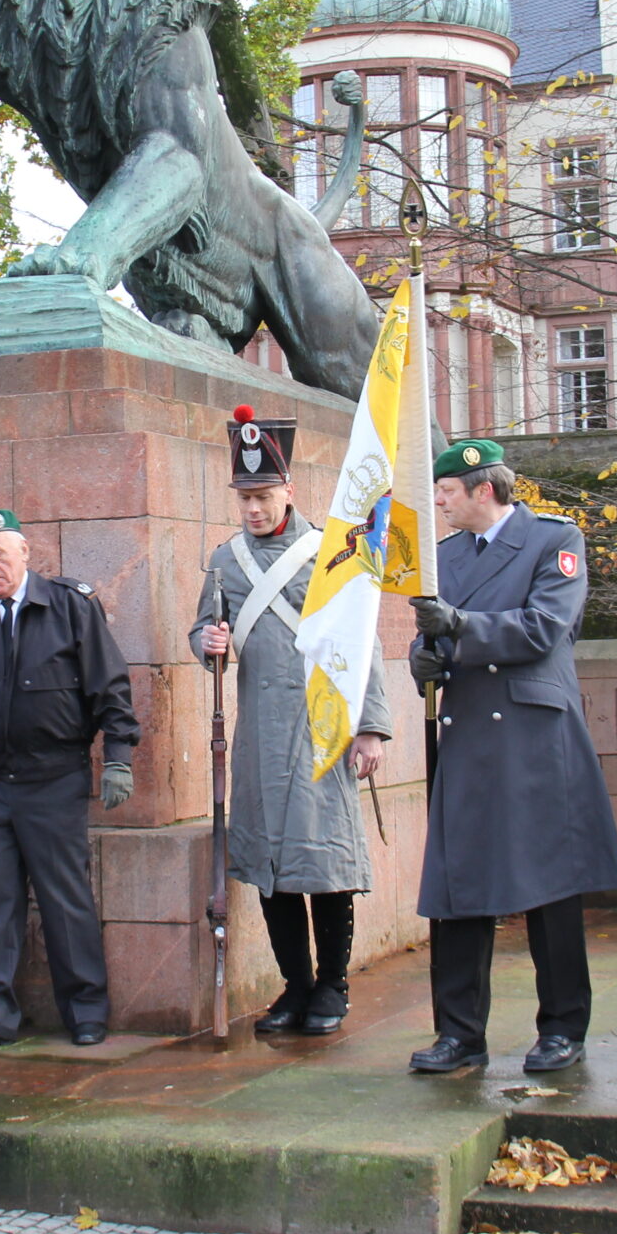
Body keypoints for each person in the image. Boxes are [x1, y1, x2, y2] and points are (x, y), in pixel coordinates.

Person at [406, 442, 617, 1075]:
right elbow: (438, 639)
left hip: (533, 732)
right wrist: (425, 661)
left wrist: (459, 631)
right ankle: (459, 1032)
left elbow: (542, 628)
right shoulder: (443, 559)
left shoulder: (553, 541)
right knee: (458, 887)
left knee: (550, 887)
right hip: (469, 729)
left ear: (483, 490)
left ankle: (562, 1027)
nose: (438, 500)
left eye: (447, 490)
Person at [188, 407, 389, 1036]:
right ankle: (294, 987)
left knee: (321, 863)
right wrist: (208, 642)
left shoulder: (331, 550)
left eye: (263, 496)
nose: (253, 509)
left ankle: (333, 986)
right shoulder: (224, 560)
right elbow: (202, 629)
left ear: (288, 491)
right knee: (271, 866)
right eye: (245, 497)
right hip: (258, 736)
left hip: (323, 728)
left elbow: (363, 641)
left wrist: (372, 726)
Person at [0, 508, 140, 1053]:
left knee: (65, 899)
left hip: (54, 779)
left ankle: (86, 1011)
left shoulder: (69, 607)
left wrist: (118, 757)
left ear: (25, 551)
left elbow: (109, 687)